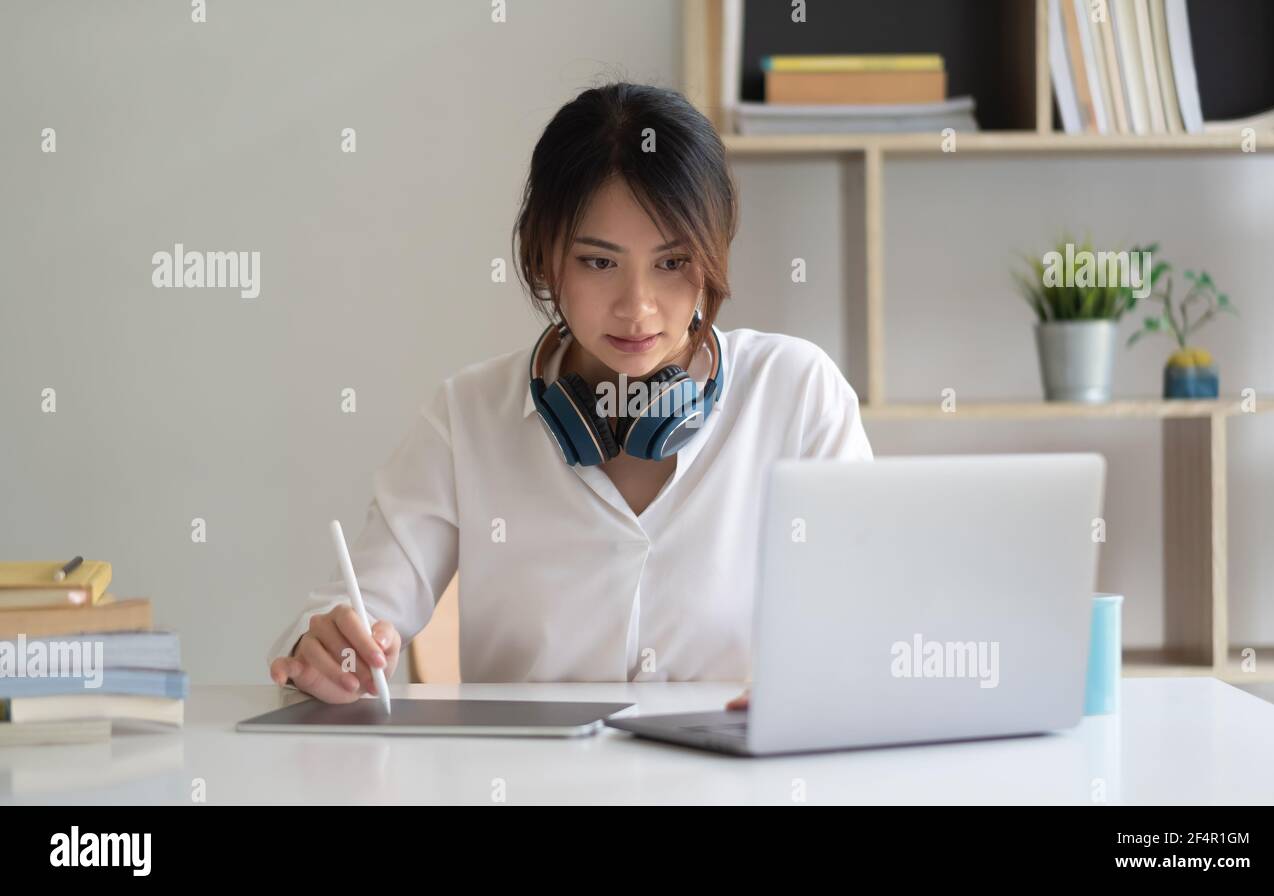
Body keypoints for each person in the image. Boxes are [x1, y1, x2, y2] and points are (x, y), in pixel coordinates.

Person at [267, 82, 872, 710]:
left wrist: (828, 683)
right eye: (598, 263)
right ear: (545, 258)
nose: (636, 308)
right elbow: (339, 626)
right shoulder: (467, 417)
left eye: (672, 263)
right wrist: (330, 653)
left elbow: (873, 621)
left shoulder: (798, 394)